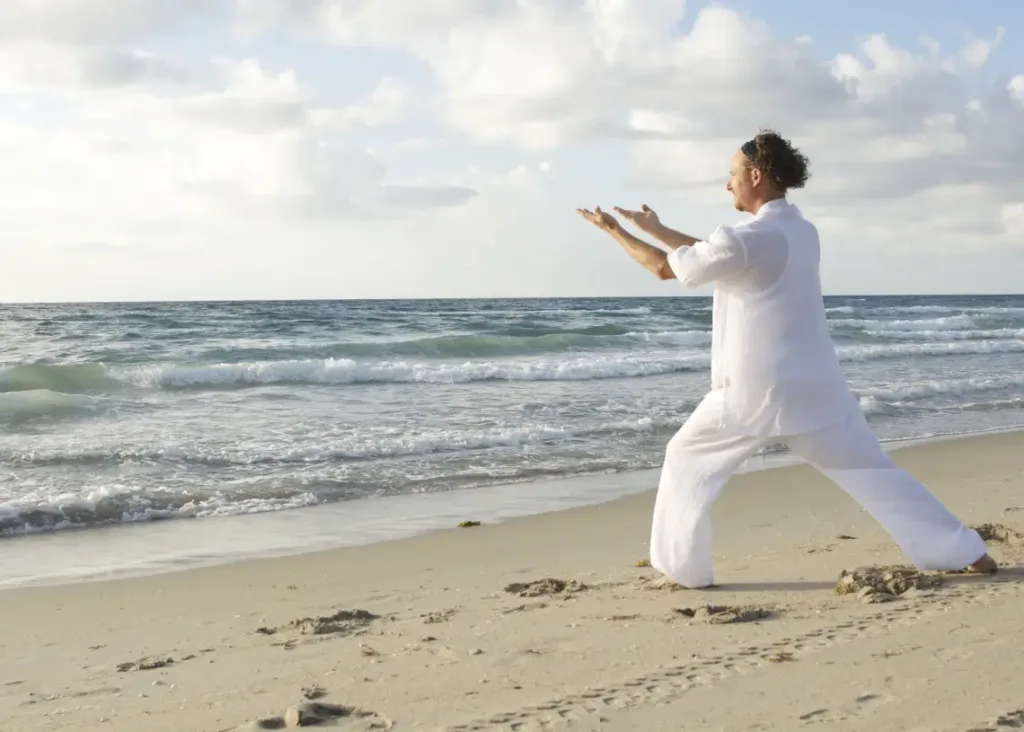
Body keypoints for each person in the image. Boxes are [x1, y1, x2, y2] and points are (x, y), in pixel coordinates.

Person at [576, 129, 996, 588]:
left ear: (755, 175)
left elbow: (665, 268)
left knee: (685, 458)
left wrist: (615, 231)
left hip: (755, 394)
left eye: (732, 174)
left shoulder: (746, 240)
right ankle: (966, 552)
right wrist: (655, 227)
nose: (727, 184)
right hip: (819, 391)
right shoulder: (798, 231)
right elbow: (722, 254)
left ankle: (684, 571)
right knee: (875, 474)